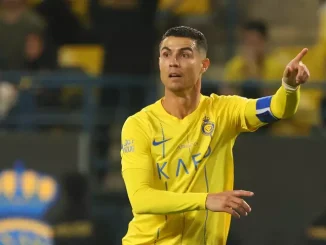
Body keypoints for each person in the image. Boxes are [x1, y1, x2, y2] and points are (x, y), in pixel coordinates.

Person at [120, 26, 310, 245]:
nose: (173, 62)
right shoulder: (139, 125)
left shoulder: (224, 111)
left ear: (204, 66)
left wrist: (288, 87)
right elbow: (141, 199)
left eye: (184, 54)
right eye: (166, 54)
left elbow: (277, 109)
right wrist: (206, 200)